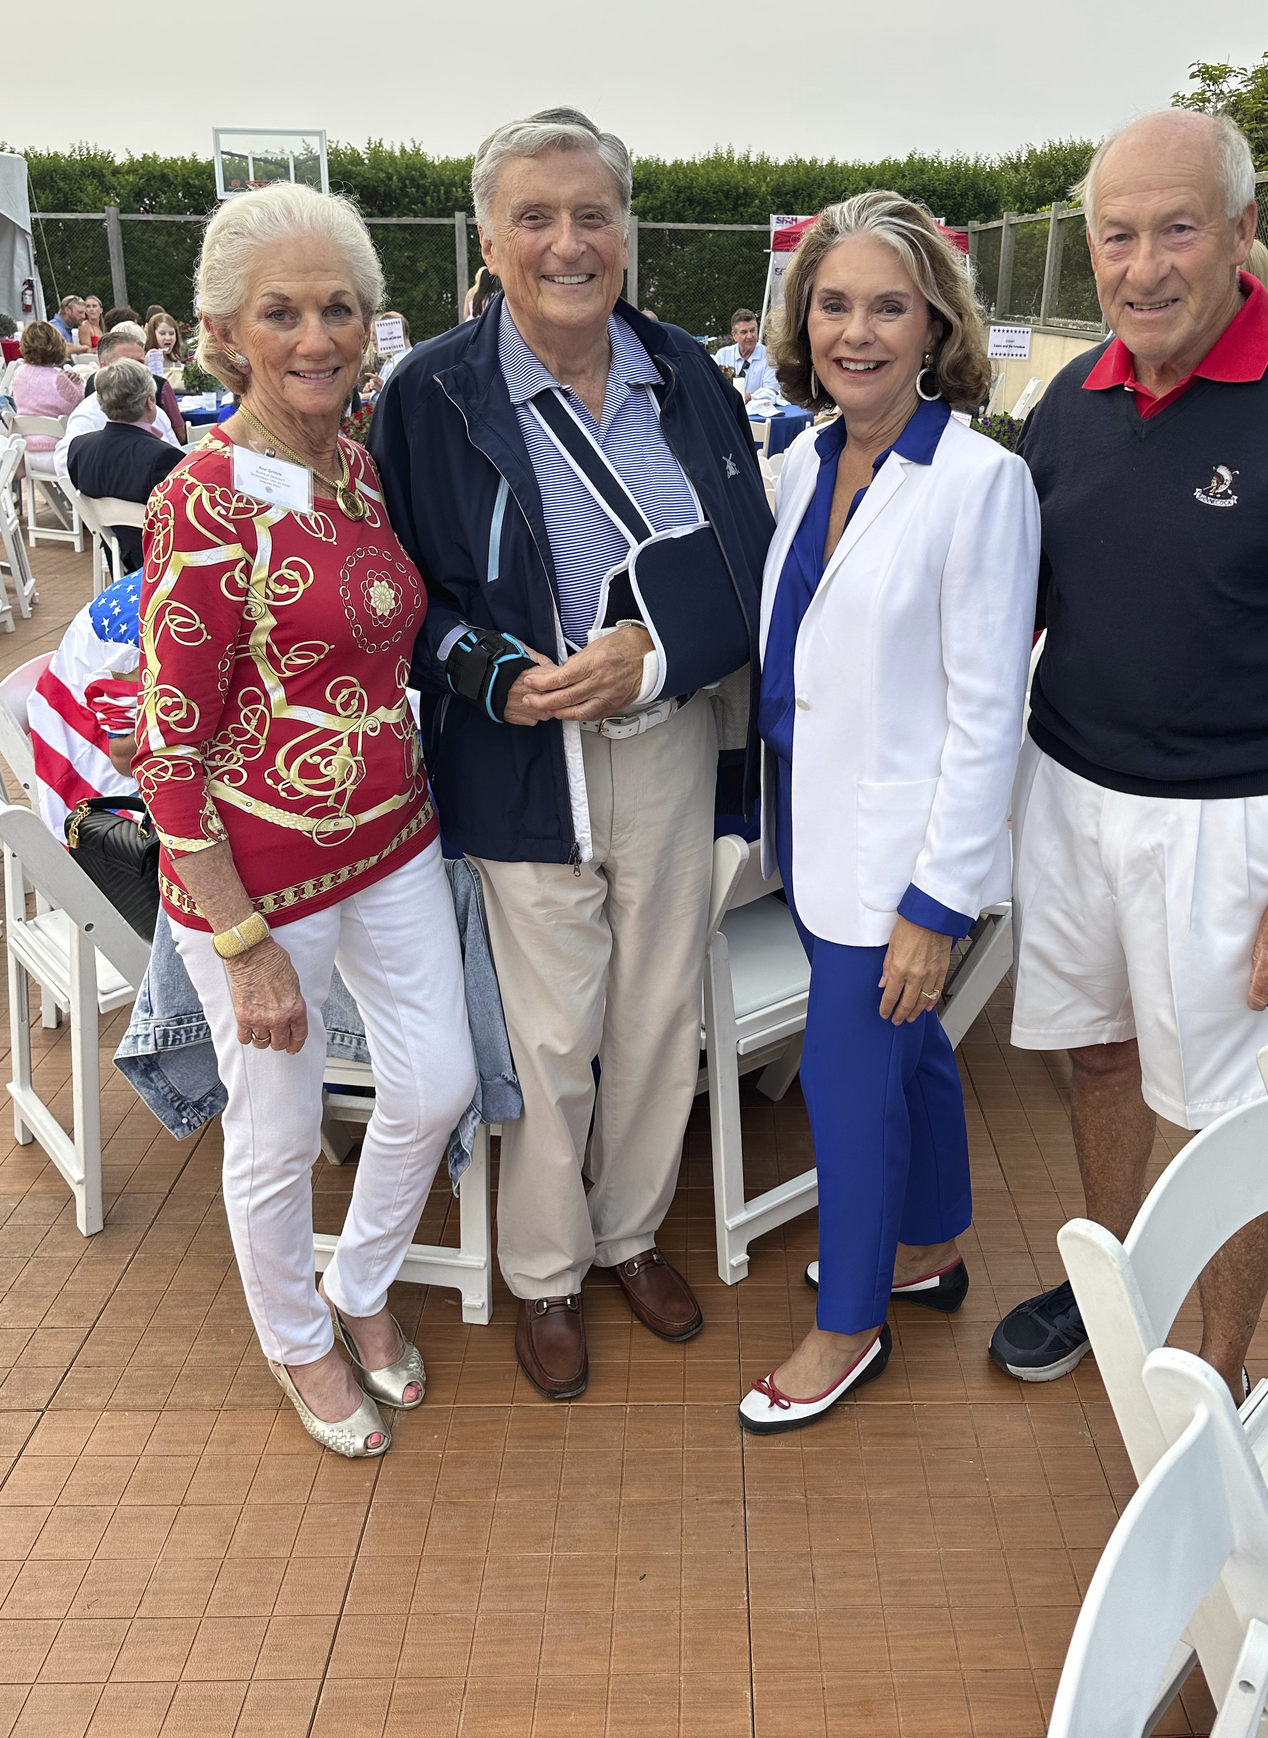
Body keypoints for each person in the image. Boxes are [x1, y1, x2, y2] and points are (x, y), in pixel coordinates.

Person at [989, 110, 1268, 1404]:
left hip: (1247, 826)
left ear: (1243, 232)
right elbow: (1021, 611)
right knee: (1097, 1056)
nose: (1143, 267)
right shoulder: (1067, 410)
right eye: (1117, 236)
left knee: (1235, 1119)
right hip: (1073, 796)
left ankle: (1214, 1374)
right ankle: (1121, 1291)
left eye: (1176, 229)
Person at [370, 106, 773, 1402]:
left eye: (591, 214)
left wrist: (653, 655)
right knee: (552, 1039)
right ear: (487, 239)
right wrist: (491, 672)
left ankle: (633, 1234)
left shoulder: (685, 374)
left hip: (663, 746)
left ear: (626, 231)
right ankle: (546, 1272)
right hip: (523, 761)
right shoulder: (430, 393)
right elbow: (397, 594)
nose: (566, 242)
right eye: (534, 217)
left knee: (658, 1017)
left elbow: (749, 560)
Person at [133, 181, 477, 1461]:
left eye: (340, 307)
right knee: (274, 1134)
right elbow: (165, 741)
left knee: (436, 1082)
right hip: (262, 877)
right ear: (225, 333)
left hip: (394, 837)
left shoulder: (356, 462)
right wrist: (240, 936)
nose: (317, 335)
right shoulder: (203, 497)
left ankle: (360, 1286)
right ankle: (295, 1335)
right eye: (283, 312)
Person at [735, 194, 1038, 1434]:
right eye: (834, 302)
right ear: (802, 317)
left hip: (899, 850)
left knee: (848, 1084)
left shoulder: (980, 482)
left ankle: (847, 1321)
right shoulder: (804, 455)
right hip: (809, 818)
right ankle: (930, 1249)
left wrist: (936, 901)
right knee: (910, 1059)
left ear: (936, 325)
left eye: (887, 306)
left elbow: (987, 713)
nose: (856, 330)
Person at [27, 569, 143, 839]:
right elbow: (125, 759)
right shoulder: (141, 624)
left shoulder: (179, 575)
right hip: (99, 791)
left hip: (121, 755)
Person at [66, 358, 183, 572]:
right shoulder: (163, 457)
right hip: (160, 566)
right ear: (150, 402)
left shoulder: (79, 449)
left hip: (117, 560)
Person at [58, 326, 186, 474]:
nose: (138, 370)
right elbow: (65, 462)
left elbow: (179, 461)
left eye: (140, 362)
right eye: (127, 363)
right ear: (104, 368)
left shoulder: (154, 409)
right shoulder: (89, 413)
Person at [10, 320, 84, 452]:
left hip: (25, 447)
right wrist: (77, 384)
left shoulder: (19, 372)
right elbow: (78, 406)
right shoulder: (59, 379)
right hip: (58, 449)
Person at [715, 308, 782, 402]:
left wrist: (749, 397)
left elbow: (771, 391)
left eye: (752, 330)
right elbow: (714, 387)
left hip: (759, 414)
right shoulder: (722, 356)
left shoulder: (770, 356)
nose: (750, 336)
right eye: (744, 332)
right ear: (734, 335)